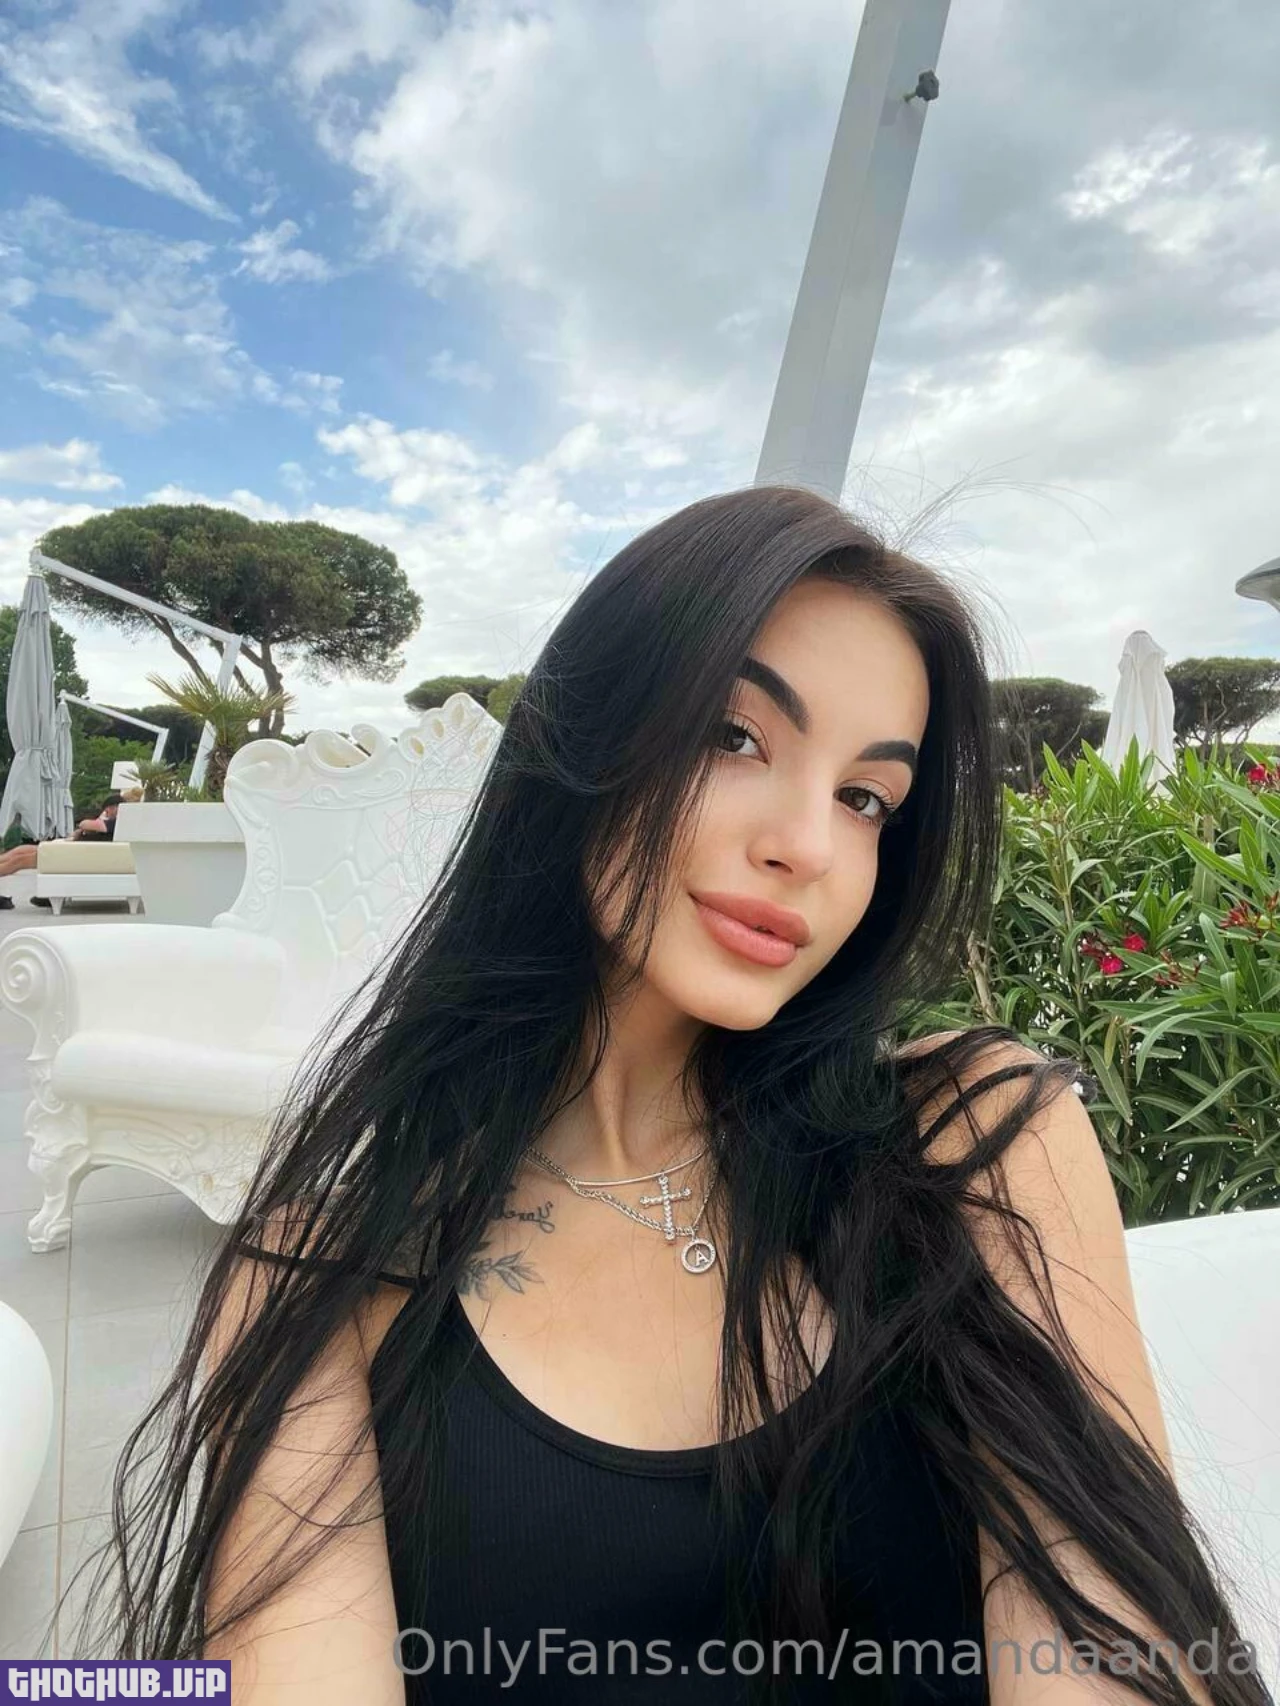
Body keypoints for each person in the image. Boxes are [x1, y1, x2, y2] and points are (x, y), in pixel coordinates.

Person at [76, 488, 1268, 1706]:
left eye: (865, 797)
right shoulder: (319, 1278)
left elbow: (1110, 1637)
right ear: (585, 740)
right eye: (735, 735)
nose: (808, 843)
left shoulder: (973, 1139)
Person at [0, 791, 125, 906]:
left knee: (19, 860)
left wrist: (99, 819)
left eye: (110, 808)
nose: (107, 811)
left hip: (72, 855)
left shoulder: (115, 823)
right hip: (72, 851)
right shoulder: (113, 822)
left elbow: (85, 824)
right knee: (22, 850)